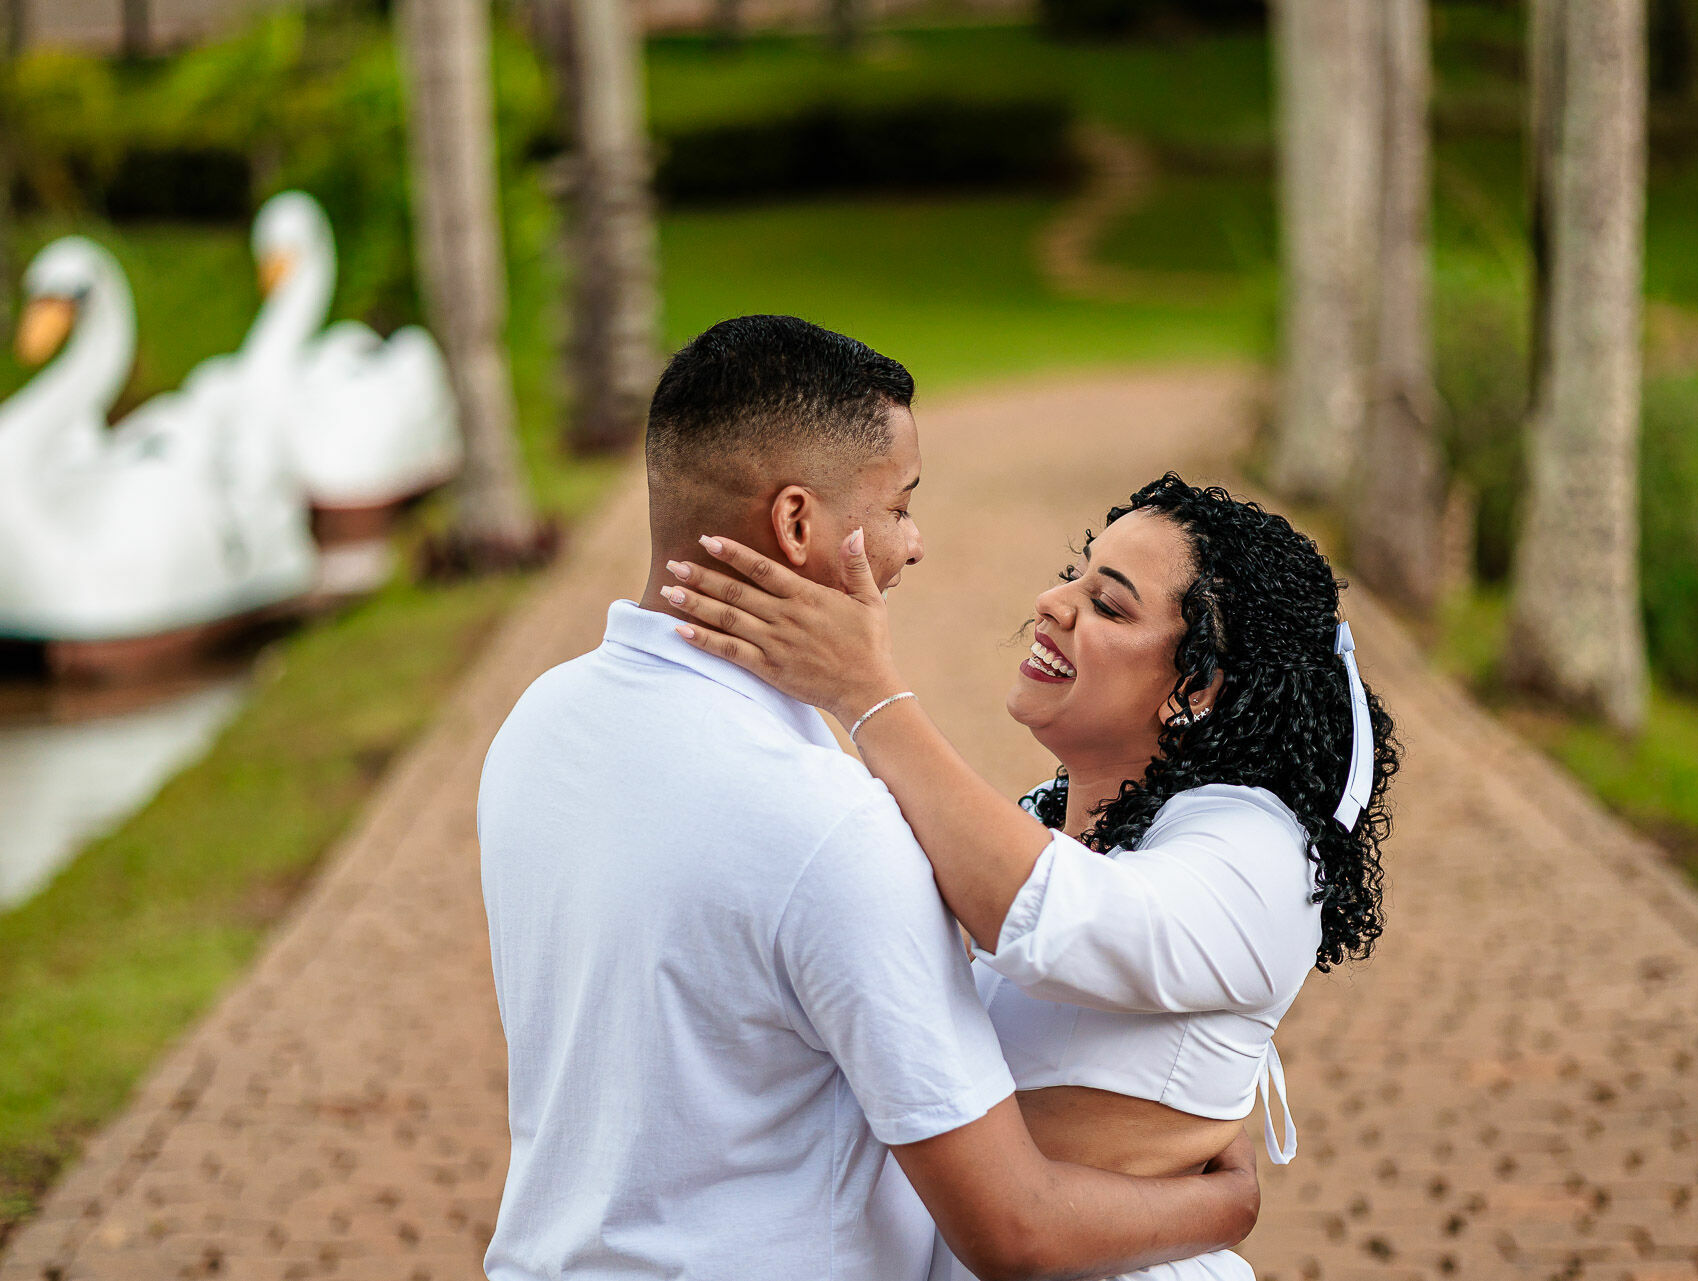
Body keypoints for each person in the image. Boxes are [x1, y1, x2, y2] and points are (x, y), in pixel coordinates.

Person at [477, 317, 1261, 1281]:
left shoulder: (535, 726)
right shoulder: (831, 830)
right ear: (799, 523)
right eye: (899, 506)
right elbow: (1014, 1228)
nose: (916, 544)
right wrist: (1224, 1202)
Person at [662, 472, 1400, 1280]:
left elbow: (1050, 916)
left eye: (1109, 604)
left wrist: (866, 691)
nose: (1053, 600)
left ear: (1195, 689)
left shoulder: (1264, 850)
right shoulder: (1045, 817)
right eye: (1078, 571)